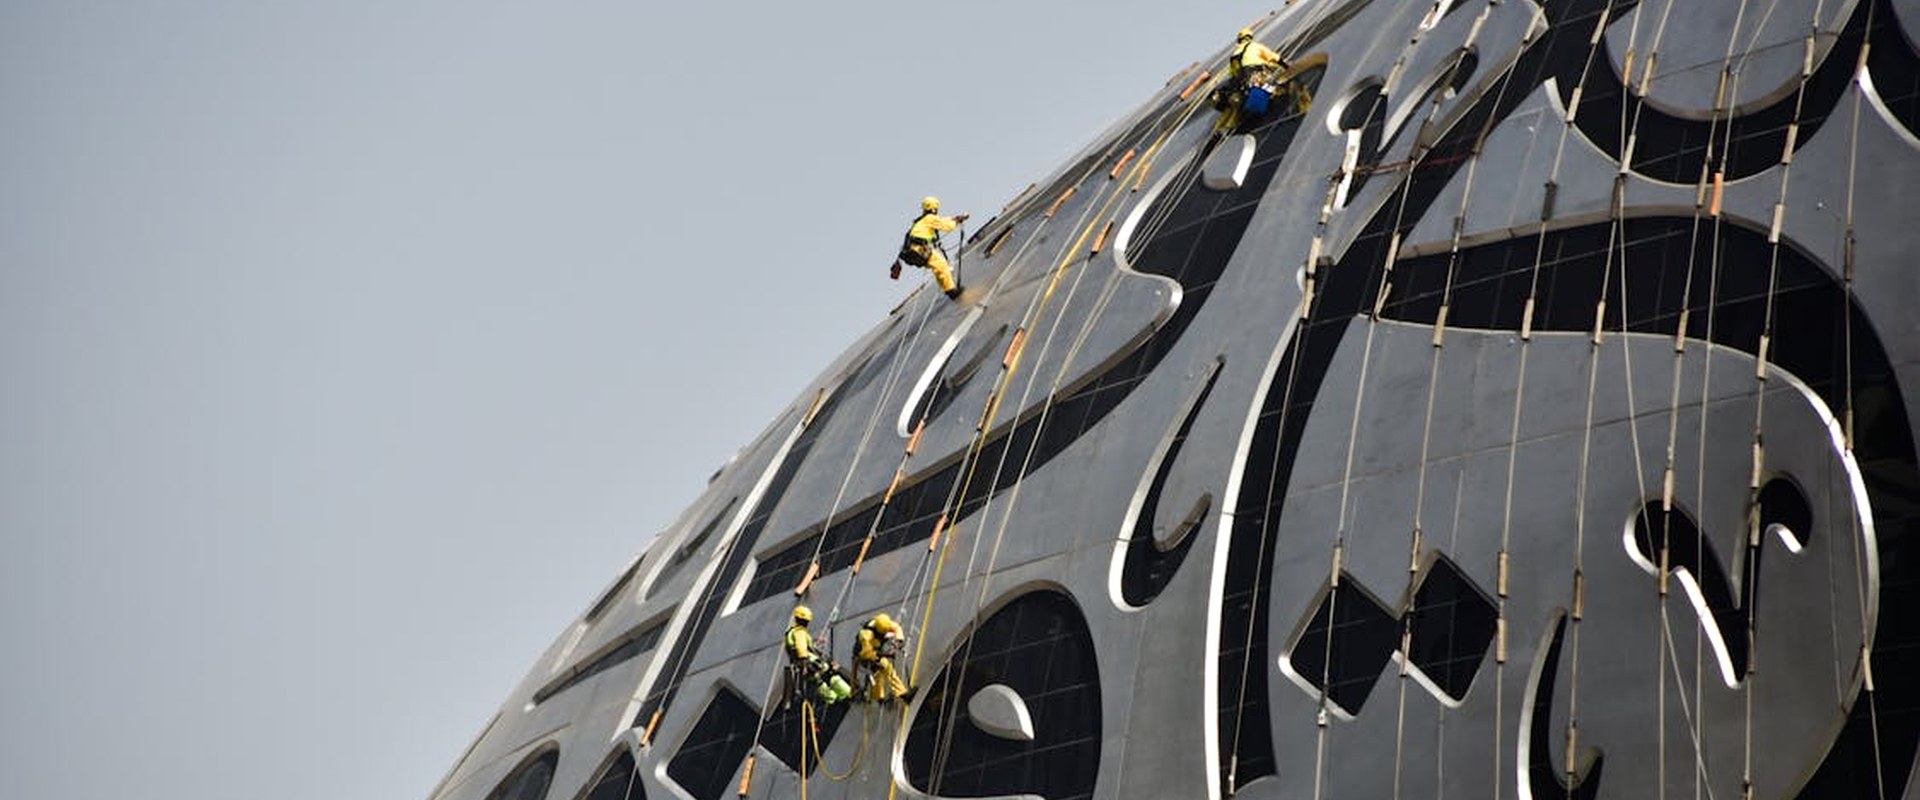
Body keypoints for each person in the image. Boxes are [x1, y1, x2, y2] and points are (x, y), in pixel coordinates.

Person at [894, 196, 970, 300]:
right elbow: (946, 226)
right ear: (935, 208)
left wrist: (954, 218)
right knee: (942, 265)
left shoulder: (922, 220)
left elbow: (941, 221)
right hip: (919, 249)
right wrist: (957, 222)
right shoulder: (930, 219)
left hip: (912, 251)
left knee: (938, 267)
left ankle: (948, 289)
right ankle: (951, 291)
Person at [784, 605, 852, 706]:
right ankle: (846, 693)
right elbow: (802, 649)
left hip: (800, 664)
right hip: (808, 662)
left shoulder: (792, 632)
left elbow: (802, 647)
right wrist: (806, 664)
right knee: (829, 673)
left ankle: (832, 698)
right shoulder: (799, 632)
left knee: (818, 681)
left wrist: (815, 643)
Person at [854, 612, 912, 704]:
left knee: (878, 675)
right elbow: (866, 654)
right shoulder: (866, 636)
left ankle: (879, 698)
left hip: (874, 648)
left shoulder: (883, 623)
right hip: (865, 655)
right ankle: (903, 694)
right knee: (886, 668)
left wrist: (899, 640)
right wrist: (886, 655)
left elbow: (896, 628)